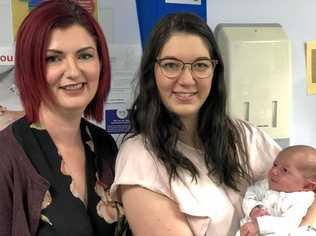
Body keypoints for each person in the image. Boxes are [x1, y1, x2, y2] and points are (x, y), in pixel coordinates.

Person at [110, 12, 316, 236]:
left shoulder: (244, 136)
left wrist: (304, 227)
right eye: (171, 65)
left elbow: (307, 186)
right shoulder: (140, 158)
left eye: (200, 65)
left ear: (214, 72)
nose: (187, 79)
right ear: (152, 72)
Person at [0, 1, 127, 235]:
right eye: (53, 58)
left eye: (85, 55)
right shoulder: (5, 156)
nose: (73, 71)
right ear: (30, 67)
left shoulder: (105, 145)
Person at [238, 145, 316, 236]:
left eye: (285, 170)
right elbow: (250, 194)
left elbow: (288, 223)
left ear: (307, 186)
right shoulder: (266, 184)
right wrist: (253, 209)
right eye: (275, 165)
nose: (274, 171)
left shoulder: (301, 199)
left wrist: (258, 225)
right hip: (247, 230)